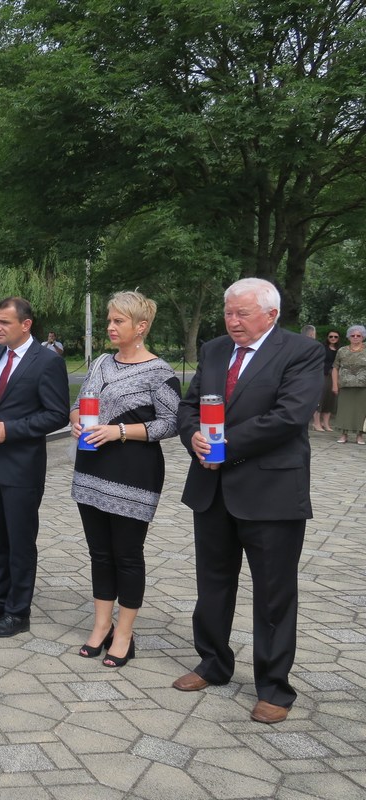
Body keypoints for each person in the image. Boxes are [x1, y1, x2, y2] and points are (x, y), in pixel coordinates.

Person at [174, 277, 323, 725]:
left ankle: (274, 687)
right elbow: (189, 406)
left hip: (271, 492)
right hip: (212, 490)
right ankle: (213, 663)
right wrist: (195, 437)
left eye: (243, 314)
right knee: (213, 583)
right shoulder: (215, 350)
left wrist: (225, 445)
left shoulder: (301, 352)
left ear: (271, 315)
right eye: (229, 313)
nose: (233, 322)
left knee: (274, 594)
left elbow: (289, 416)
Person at [70, 292, 180, 668]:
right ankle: (101, 626)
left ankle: (125, 634)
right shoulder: (101, 363)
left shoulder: (159, 371)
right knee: (99, 553)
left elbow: (171, 423)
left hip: (134, 472)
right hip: (91, 468)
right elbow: (84, 399)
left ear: (141, 326)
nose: (111, 327)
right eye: (109, 320)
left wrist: (119, 431)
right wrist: (74, 417)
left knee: (127, 556)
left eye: (119, 321)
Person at [0, 297, 69, 637]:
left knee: (20, 541)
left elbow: (56, 414)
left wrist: (10, 429)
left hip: (23, 466)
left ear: (26, 325)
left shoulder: (47, 361)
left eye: (4, 322)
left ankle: (18, 612)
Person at [332, 324, 366, 445]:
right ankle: (343, 434)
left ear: (363, 337)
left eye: (358, 335)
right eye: (353, 335)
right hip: (345, 386)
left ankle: (359, 436)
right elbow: (335, 368)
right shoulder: (342, 351)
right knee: (344, 410)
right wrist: (335, 385)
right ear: (348, 337)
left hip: (363, 386)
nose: (355, 337)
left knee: (361, 411)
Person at [318, 330, 340, 432]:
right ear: (327, 337)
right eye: (331, 336)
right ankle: (316, 423)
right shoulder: (322, 348)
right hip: (323, 375)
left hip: (335, 376)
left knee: (330, 399)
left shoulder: (340, 350)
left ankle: (326, 423)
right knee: (320, 399)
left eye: (335, 337)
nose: (333, 339)